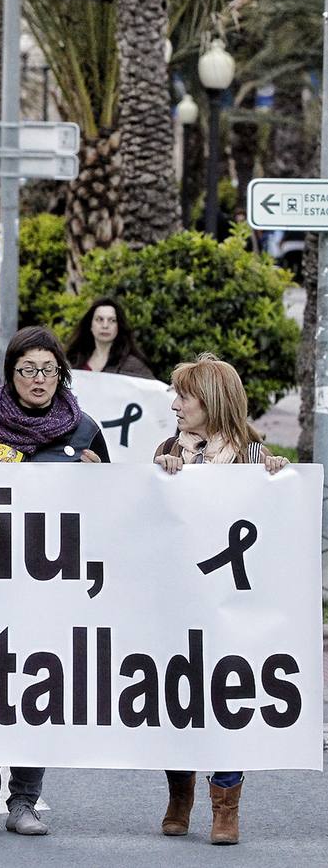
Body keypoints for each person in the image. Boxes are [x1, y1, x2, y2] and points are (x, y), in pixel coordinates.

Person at [0, 326, 110, 839]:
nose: (39, 379)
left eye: (49, 370)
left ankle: (25, 800)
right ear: (11, 374)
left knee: (37, 689)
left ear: (61, 375)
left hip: (51, 586)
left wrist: (101, 478)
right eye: (28, 369)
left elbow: (111, 510)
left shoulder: (85, 431)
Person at [152, 353, 288, 846]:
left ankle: (225, 802)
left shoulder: (254, 457)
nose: (175, 404)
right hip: (175, 602)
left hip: (230, 604)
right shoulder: (168, 448)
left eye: (183, 395)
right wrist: (161, 473)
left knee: (230, 697)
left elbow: (271, 524)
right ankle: (180, 793)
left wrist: (278, 480)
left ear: (210, 401)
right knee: (175, 700)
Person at [65, 297, 155, 378]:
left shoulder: (132, 365)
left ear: (118, 326)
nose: (105, 325)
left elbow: (152, 391)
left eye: (112, 320)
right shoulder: (74, 360)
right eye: (99, 319)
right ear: (90, 325)